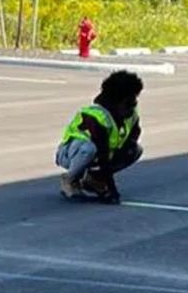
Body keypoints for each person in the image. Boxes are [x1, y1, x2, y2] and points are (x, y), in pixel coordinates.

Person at [55, 70, 143, 204]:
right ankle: (70, 179)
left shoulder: (131, 116)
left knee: (135, 150)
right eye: (129, 100)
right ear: (117, 101)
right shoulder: (96, 117)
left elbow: (130, 141)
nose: (134, 103)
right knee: (89, 149)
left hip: (98, 154)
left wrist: (103, 180)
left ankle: (94, 179)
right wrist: (112, 190)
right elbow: (103, 155)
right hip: (71, 153)